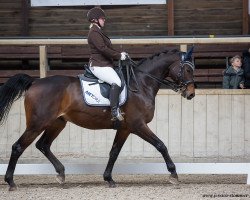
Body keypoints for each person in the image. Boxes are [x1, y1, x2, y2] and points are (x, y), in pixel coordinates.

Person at [86, 7, 128, 121]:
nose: (104, 20)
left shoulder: (98, 31)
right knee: (117, 82)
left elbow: (107, 48)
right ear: (95, 20)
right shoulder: (94, 32)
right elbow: (103, 49)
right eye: (102, 18)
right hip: (99, 65)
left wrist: (120, 54)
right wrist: (119, 56)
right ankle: (114, 111)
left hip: (103, 64)